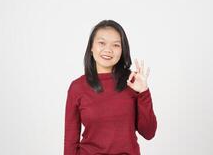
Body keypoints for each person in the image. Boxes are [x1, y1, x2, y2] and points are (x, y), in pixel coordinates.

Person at [64, 20, 157, 155]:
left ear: (122, 50)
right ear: (91, 47)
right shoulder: (77, 87)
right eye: (101, 43)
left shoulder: (132, 82)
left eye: (116, 45)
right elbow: (70, 140)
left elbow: (149, 133)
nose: (108, 49)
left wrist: (143, 92)